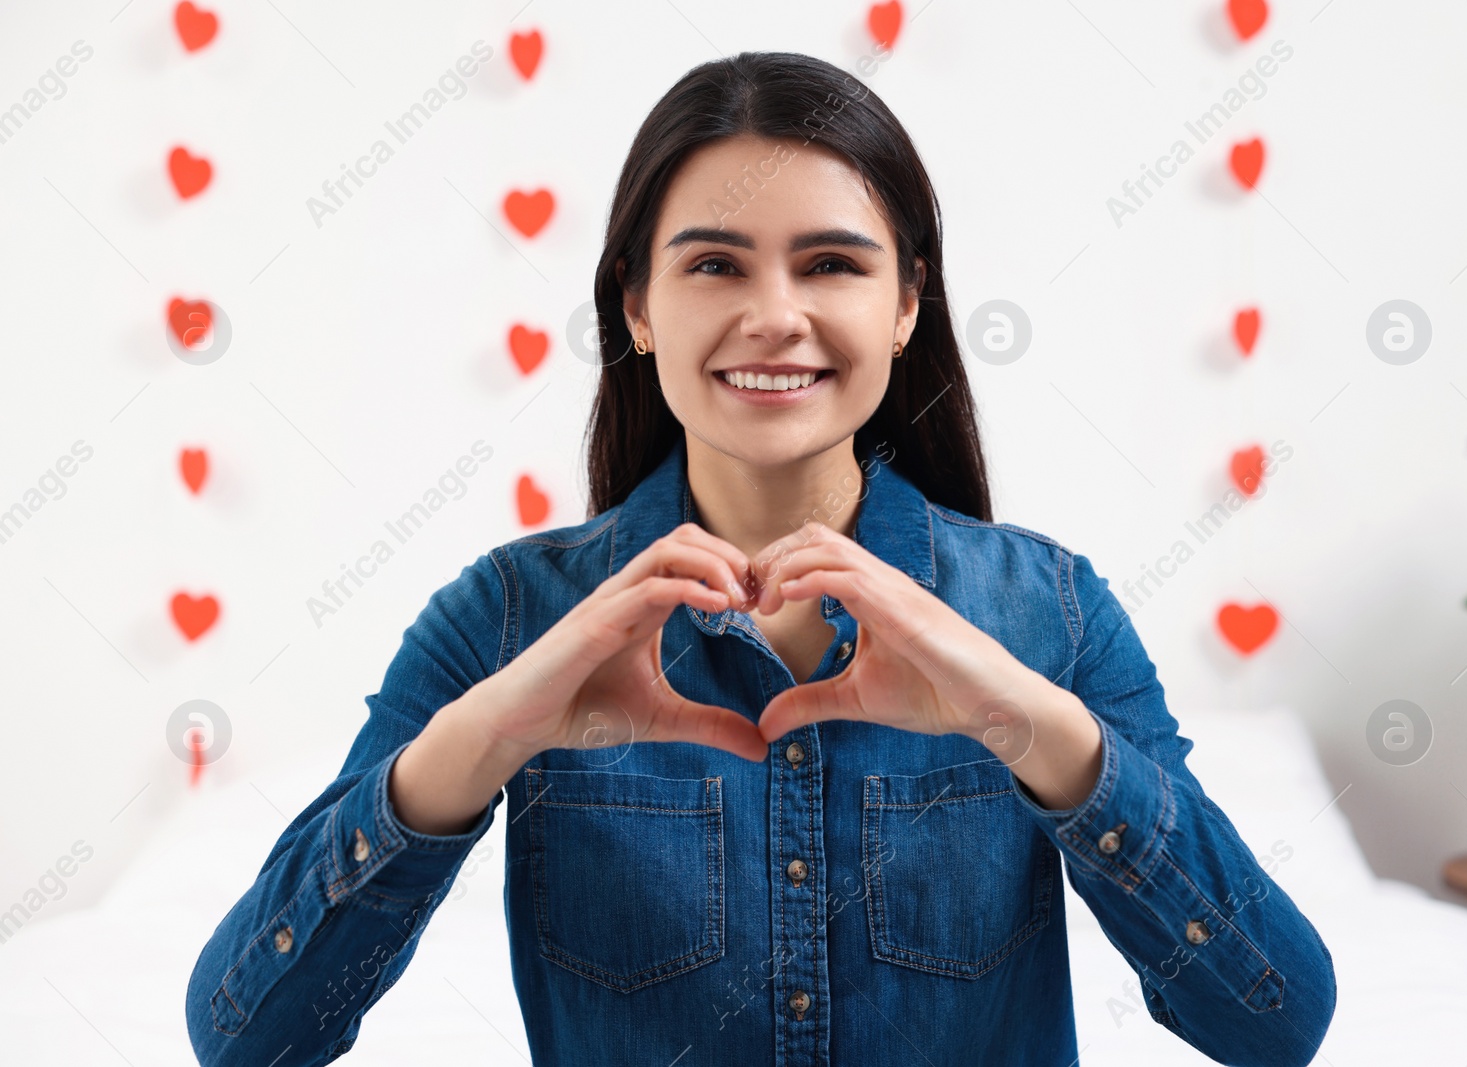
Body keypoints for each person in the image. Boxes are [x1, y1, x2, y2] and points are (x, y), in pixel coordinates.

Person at [186, 50, 1335, 1067]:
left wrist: (1038, 733)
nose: (775, 315)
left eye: (832, 263)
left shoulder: (1050, 613)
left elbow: (1274, 1022)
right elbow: (245, 1036)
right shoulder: (502, 618)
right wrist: (482, 744)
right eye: (715, 266)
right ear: (636, 304)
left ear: (906, 302)